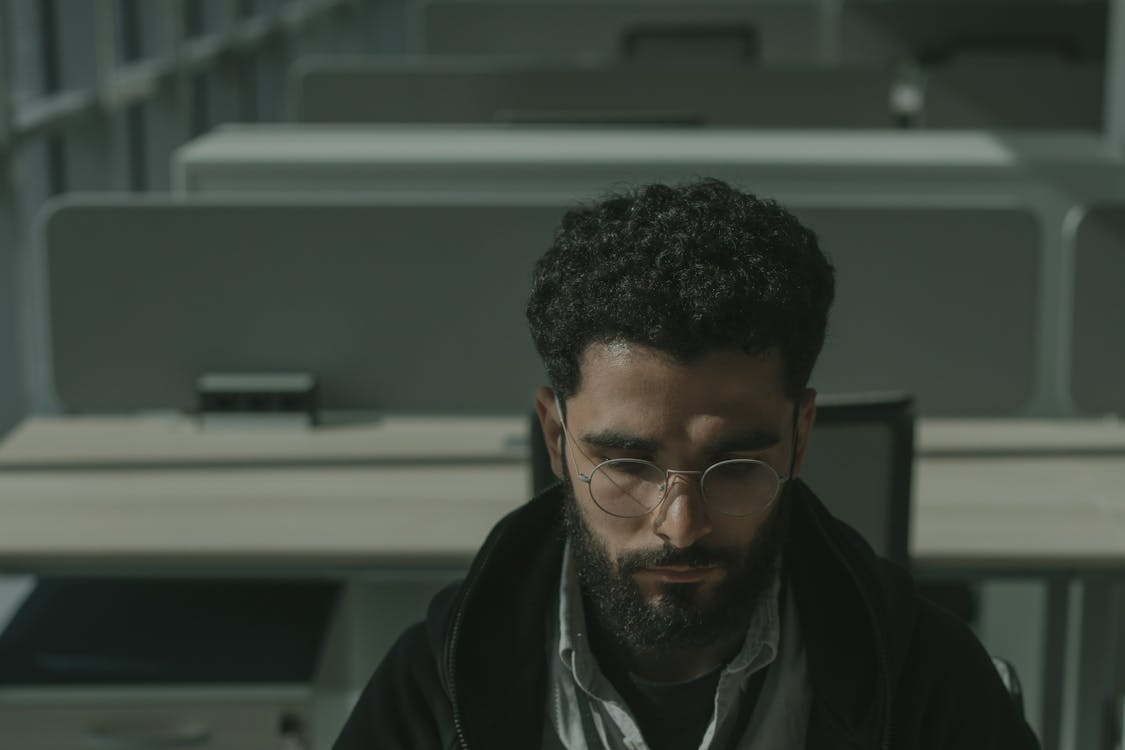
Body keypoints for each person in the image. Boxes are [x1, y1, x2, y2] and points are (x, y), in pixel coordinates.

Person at [333, 179, 1040, 749]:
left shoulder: (926, 681)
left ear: (800, 435)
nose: (679, 526)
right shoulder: (435, 686)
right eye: (628, 465)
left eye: (733, 465)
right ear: (554, 437)